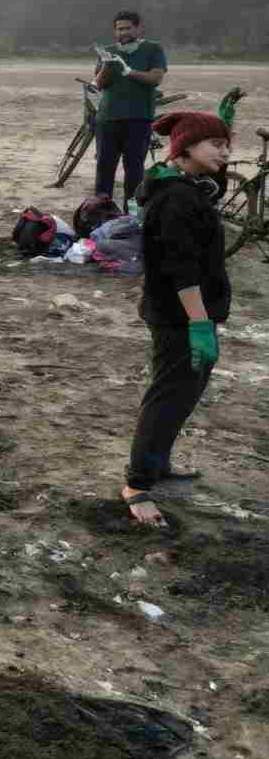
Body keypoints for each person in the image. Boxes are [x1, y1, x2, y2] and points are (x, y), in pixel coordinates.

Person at [123, 109, 233, 529]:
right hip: (179, 317)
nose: (224, 153)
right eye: (215, 145)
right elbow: (180, 270)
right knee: (169, 395)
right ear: (185, 147)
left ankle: (157, 463)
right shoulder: (175, 200)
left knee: (184, 392)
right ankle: (136, 485)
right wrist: (199, 325)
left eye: (226, 145)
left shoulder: (187, 187)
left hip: (187, 313)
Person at [93, 10, 168, 208]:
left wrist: (129, 72)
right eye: (119, 29)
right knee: (104, 170)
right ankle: (100, 215)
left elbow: (155, 78)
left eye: (127, 28)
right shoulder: (109, 51)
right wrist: (108, 65)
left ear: (138, 28)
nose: (123, 33)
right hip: (107, 119)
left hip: (139, 119)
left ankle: (131, 218)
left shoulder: (153, 49)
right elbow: (99, 84)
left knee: (134, 172)